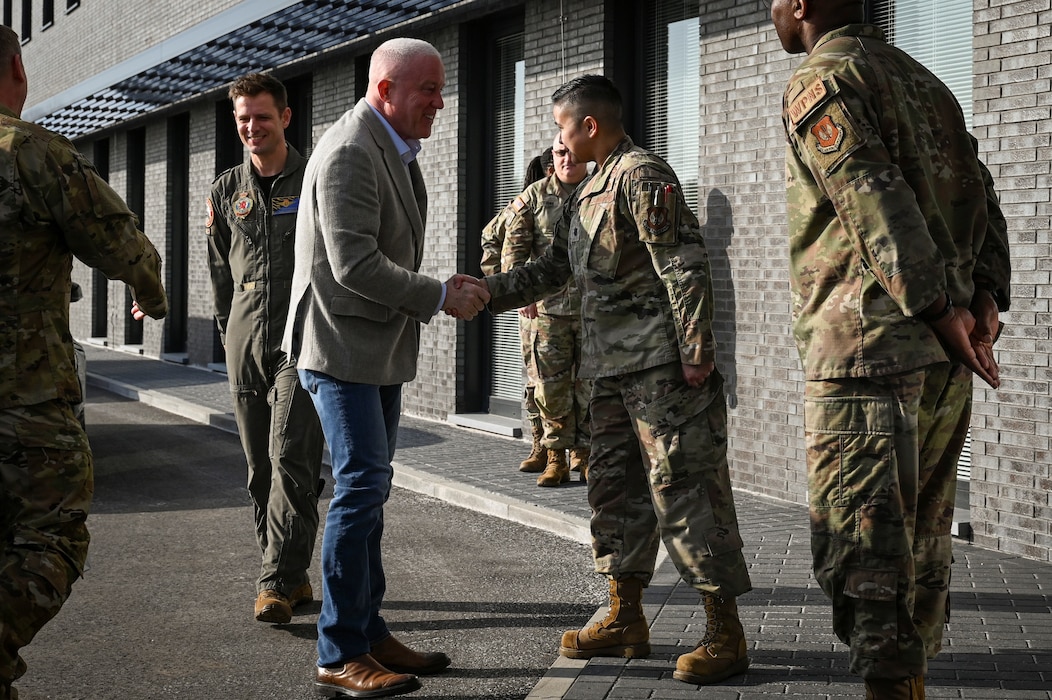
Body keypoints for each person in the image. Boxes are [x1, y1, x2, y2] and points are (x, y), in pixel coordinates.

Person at [770, 2, 1012, 698]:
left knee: (868, 559)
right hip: (940, 359)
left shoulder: (824, 78)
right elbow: (982, 197)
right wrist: (983, 300)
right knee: (923, 548)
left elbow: (870, 198)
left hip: (869, 358)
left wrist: (939, 309)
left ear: (802, 5)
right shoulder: (924, 81)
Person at [480, 75, 752, 686]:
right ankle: (625, 618)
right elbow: (554, 268)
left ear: (590, 126)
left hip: (660, 373)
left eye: (561, 126)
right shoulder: (587, 190)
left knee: (688, 496)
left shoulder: (641, 175)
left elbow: (682, 263)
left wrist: (697, 353)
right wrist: (487, 291)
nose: (558, 138)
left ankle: (724, 632)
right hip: (605, 372)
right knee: (613, 494)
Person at [282, 37, 490, 699]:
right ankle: (339, 652)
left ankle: (368, 632)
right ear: (384, 91)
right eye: (426, 88)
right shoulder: (349, 151)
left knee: (369, 493)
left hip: (373, 350)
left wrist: (438, 288)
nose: (439, 100)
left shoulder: (390, 146)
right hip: (340, 350)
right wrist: (436, 295)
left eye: (440, 86)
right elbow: (353, 265)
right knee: (360, 490)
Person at [0, 25, 168, 700]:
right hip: (26, 401)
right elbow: (127, 249)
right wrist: (151, 299)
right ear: (16, 68)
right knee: (52, 538)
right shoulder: (33, 152)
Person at [205, 72, 325, 625]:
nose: (252, 127)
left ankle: (274, 579)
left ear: (286, 118)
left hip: (299, 343)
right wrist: (226, 333)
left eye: (262, 116)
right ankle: (291, 573)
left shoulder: (317, 179)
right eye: (243, 119)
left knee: (290, 462)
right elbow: (218, 272)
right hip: (244, 337)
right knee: (258, 470)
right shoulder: (226, 190)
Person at [499, 135, 591, 486]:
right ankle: (555, 457)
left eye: (572, 152)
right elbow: (513, 250)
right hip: (546, 312)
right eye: (559, 153)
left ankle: (583, 454)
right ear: (552, 157)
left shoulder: (600, 191)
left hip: (589, 310)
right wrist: (522, 294)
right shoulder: (535, 196)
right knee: (550, 388)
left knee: (588, 387)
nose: (567, 159)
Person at [480, 147, 555, 474]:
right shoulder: (530, 201)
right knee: (538, 379)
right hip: (536, 310)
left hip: (573, 308)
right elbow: (491, 235)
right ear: (550, 168)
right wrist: (508, 289)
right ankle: (541, 446)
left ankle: (571, 450)